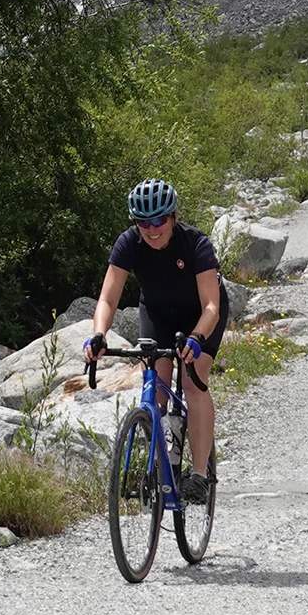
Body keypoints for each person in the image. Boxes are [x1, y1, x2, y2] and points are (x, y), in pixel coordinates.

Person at [88, 178, 222, 503]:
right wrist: (99, 334)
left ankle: (200, 475)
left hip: (199, 318)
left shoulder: (195, 245)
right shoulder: (128, 244)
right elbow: (108, 299)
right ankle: (160, 462)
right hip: (158, 313)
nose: (152, 229)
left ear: (173, 217)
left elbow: (212, 306)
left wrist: (196, 338)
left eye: (159, 220)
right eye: (143, 222)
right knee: (155, 386)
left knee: (193, 383)